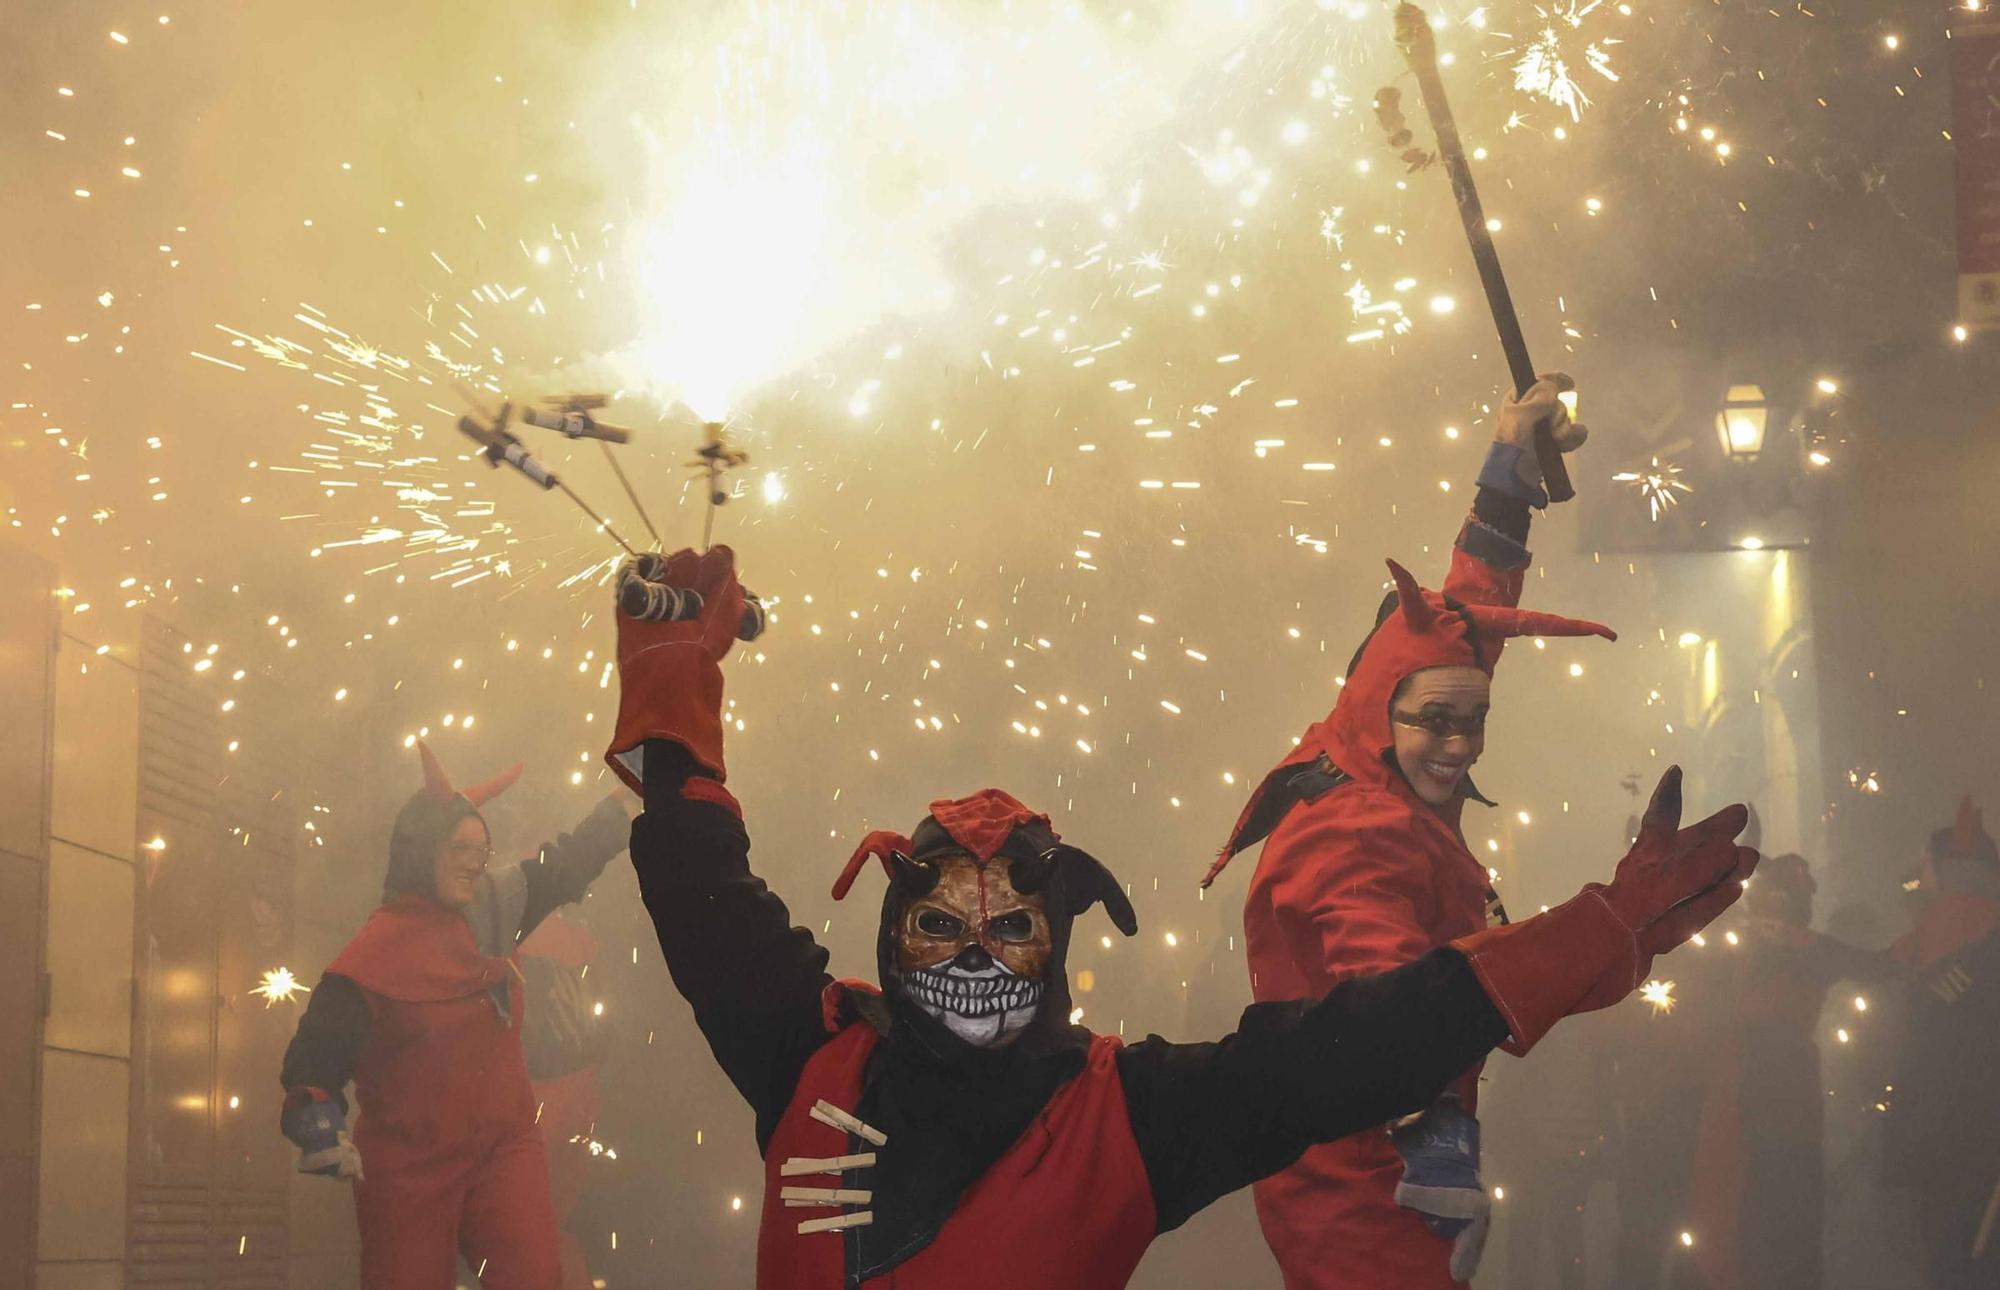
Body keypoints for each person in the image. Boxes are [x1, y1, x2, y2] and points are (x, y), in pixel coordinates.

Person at [604, 543, 1759, 1290]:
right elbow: (703, 891)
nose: (972, 957)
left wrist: (1594, 929)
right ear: (890, 929)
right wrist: (669, 690)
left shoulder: (1125, 1117)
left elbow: (1358, 1049)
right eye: (939, 925)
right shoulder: (816, 1051)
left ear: (1055, 947)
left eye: (1009, 929)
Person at [1198, 375, 1599, 1288]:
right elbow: (1390, 990)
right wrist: (1436, 1136)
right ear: (1386, 709)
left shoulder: (1378, 731)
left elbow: (1459, 627)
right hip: (1363, 1187)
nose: (1458, 748)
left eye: (1476, 720)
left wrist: (1506, 478)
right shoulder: (1359, 831)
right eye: (1437, 724)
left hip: (1372, 1160)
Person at [277, 745, 632, 1290]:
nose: (474, 859)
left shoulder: (494, 905)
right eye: (459, 847)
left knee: (537, 1278)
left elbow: (564, 865)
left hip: (503, 1146)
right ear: (423, 852)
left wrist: (623, 802)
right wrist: (317, 1122)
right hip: (408, 1165)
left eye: (480, 849)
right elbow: (318, 1053)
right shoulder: (374, 955)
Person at [1685, 853, 1897, 1290]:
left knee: (1746, 1230)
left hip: (1740, 1108)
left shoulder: (1739, 948)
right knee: (1785, 1237)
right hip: (1776, 1113)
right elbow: (1878, 967)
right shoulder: (1806, 950)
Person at [1881, 800, 2000, 1289]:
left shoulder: (1972, 949)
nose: (1919, 874)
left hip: (1962, 1146)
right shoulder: (1942, 942)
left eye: (1928, 863)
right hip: (1950, 1144)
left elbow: (1937, 1057)